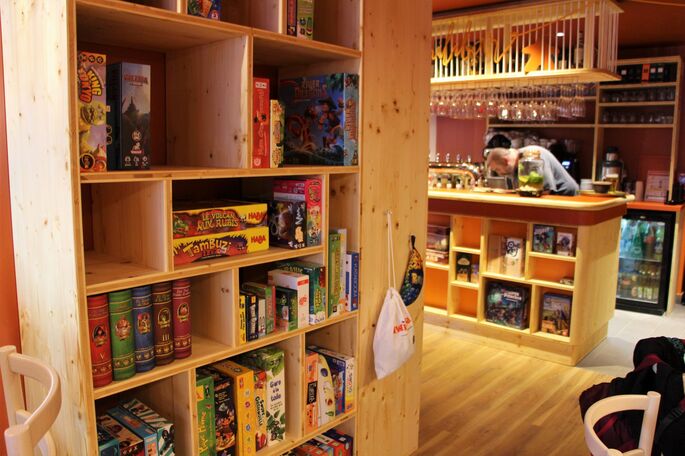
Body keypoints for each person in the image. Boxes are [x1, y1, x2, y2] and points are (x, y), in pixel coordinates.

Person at [486, 145, 579, 196]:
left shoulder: (532, 157)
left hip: (566, 196)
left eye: (498, 169)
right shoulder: (513, 168)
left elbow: (546, 190)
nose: (499, 173)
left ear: (506, 161)